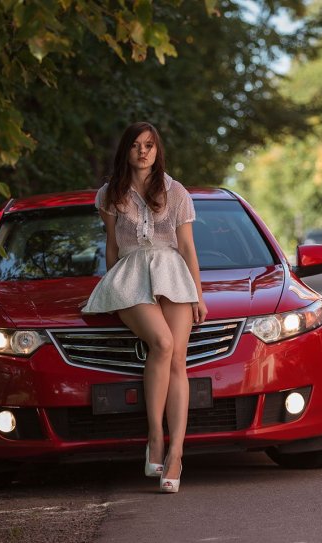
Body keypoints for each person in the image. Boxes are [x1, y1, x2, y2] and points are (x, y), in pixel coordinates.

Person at [82, 121, 208, 493]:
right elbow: (111, 246)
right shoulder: (110, 194)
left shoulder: (177, 192)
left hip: (173, 273)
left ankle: (177, 454)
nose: (143, 151)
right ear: (126, 150)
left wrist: (199, 295)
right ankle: (155, 437)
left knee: (177, 360)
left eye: (149, 145)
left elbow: (186, 248)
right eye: (136, 145)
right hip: (131, 274)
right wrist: (109, 285)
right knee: (163, 344)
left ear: (158, 151)